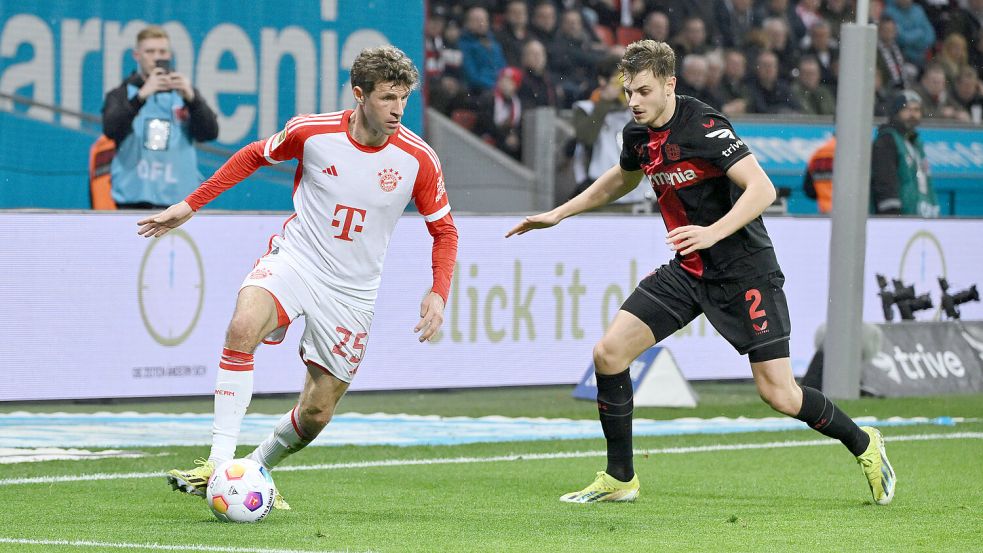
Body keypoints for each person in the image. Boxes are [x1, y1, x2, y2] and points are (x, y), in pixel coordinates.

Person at [506, 40, 895, 505]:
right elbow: (624, 177)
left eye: (644, 91)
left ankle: (865, 443)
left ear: (670, 84)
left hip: (744, 271)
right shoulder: (637, 135)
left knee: (780, 394)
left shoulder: (705, 126)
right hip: (689, 270)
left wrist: (712, 232)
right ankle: (620, 478)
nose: (634, 101)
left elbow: (761, 188)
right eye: (628, 91)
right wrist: (559, 213)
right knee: (609, 354)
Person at [145, 46, 459, 508]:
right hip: (297, 259)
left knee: (316, 412)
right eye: (388, 98)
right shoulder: (311, 132)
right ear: (359, 94)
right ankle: (218, 464)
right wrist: (191, 205)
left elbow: (444, 232)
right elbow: (252, 156)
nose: (397, 110)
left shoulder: (419, 159)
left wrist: (438, 292)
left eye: (404, 99)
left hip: (353, 291)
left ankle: (255, 468)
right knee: (241, 327)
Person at [102, 25, 218, 209]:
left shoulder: (184, 94)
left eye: (162, 51)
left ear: (169, 55)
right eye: (150, 51)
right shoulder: (123, 93)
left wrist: (193, 100)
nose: (157, 57)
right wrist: (141, 96)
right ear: (137, 55)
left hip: (180, 202)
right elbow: (111, 129)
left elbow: (210, 133)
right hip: (134, 199)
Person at [871, 90, 940, 217]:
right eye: (907, 109)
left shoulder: (916, 143)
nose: (913, 114)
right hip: (899, 217)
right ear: (896, 112)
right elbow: (885, 180)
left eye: (917, 110)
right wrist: (891, 212)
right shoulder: (887, 140)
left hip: (919, 215)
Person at [802, 135, 836, 213]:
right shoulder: (852, 153)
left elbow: (809, 190)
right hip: (850, 212)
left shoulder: (818, 153)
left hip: (824, 212)